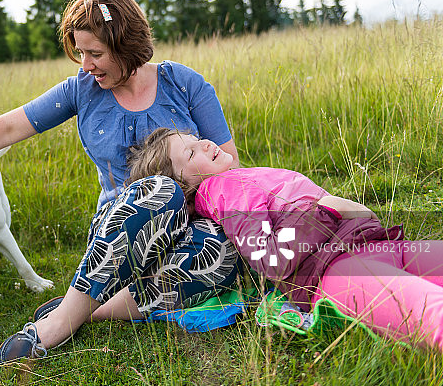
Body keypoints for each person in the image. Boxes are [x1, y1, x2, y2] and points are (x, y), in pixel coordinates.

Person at [0, 0, 241, 362]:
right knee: (161, 191)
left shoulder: (182, 83)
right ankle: (58, 325)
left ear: (126, 45)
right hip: (118, 238)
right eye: (81, 53)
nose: (86, 65)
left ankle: (93, 309)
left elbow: (229, 164)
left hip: (190, 228)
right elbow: (9, 128)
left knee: (222, 250)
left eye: (95, 53)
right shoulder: (81, 91)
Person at [125, 127, 443, 351]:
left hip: (370, 245)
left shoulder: (237, 178)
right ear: (182, 189)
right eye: (191, 152)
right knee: (431, 313)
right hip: (334, 270)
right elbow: (271, 258)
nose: (206, 144)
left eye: (196, 139)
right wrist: (328, 210)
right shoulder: (221, 190)